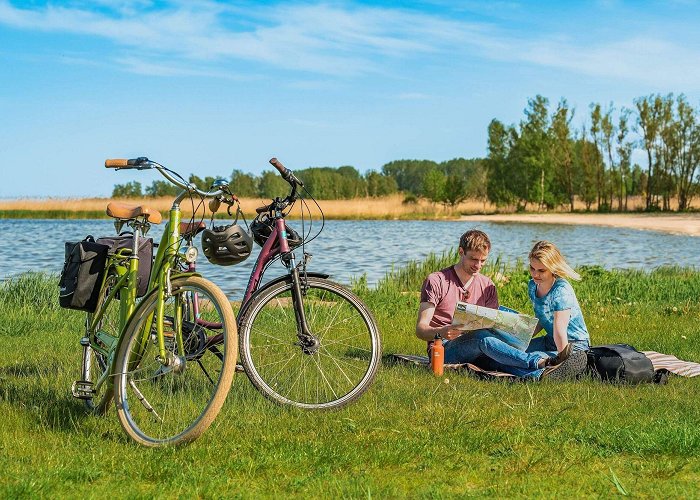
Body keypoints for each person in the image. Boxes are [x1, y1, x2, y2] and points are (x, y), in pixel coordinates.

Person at [416, 234, 588, 380]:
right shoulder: (437, 281)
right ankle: (538, 362)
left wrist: (516, 333)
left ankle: (539, 375)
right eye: (473, 259)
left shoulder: (487, 286)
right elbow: (421, 329)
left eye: (483, 261)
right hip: (444, 349)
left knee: (499, 356)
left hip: (483, 347)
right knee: (482, 337)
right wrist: (442, 331)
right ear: (461, 252)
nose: (478, 266)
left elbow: (495, 327)